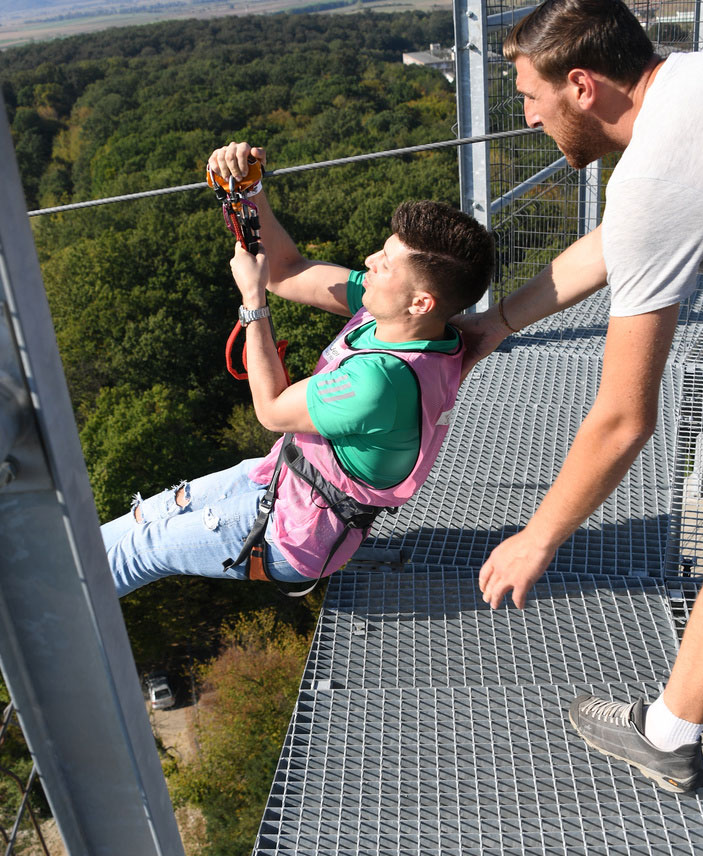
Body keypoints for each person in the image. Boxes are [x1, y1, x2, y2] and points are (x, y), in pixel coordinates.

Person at [458, 0, 703, 795]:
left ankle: (668, 735)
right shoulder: (700, 81)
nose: (529, 120)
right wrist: (501, 320)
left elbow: (622, 419)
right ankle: (670, 730)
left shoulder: (651, 181)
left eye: (533, 99)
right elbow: (622, 242)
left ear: (583, 85)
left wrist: (537, 537)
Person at [101, 140, 495, 600]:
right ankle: (51, 566)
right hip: (286, 476)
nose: (369, 262)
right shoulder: (401, 321)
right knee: (151, 514)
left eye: (385, 265)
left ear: (420, 302)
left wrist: (253, 303)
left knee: (146, 548)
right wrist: (250, 192)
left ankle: (45, 624)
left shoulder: (379, 383)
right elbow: (287, 269)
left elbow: (270, 410)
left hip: (295, 533)